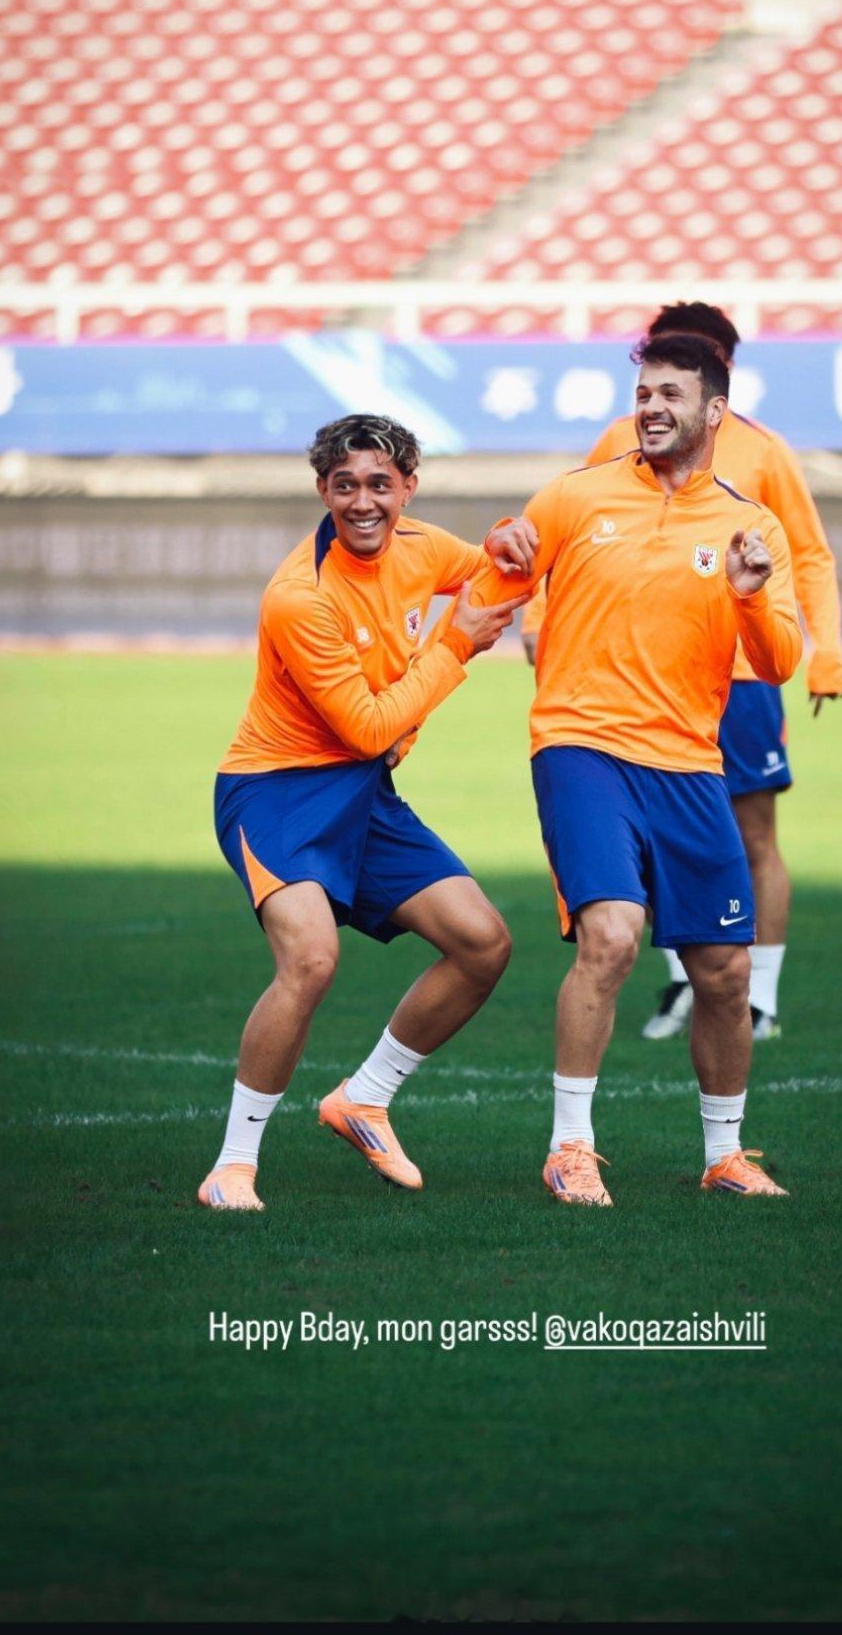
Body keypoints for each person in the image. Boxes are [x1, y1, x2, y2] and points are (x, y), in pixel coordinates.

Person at [474, 332, 803, 1203]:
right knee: (613, 934)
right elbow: (498, 575)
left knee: (724, 972)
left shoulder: (751, 525)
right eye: (644, 394)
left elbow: (779, 660)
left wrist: (749, 595)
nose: (652, 408)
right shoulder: (576, 494)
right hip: (581, 746)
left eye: (670, 395)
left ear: (715, 410)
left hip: (690, 765)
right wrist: (501, 542)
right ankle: (569, 1148)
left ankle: (725, 1155)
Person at [200, 413, 531, 1211]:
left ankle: (364, 1097)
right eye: (344, 484)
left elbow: (497, 569)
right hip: (276, 791)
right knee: (311, 958)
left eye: (380, 483)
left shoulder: (421, 544)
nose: (363, 501)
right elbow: (370, 727)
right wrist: (457, 644)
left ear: (408, 486)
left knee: (483, 944)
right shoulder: (299, 597)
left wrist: (507, 539)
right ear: (322, 490)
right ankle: (232, 1167)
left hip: (360, 791)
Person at [522, 300, 842, 1043]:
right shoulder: (620, 441)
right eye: (651, 380)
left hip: (741, 674)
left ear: (720, 376)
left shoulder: (765, 452)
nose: (658, 399)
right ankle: (677, 983)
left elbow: (808, 553)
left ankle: (759, 998)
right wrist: (537, 619)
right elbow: (560, 539)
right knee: (636, 846)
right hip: (628, 686)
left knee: (752, 834)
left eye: (687, 371)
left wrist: (825, 649)